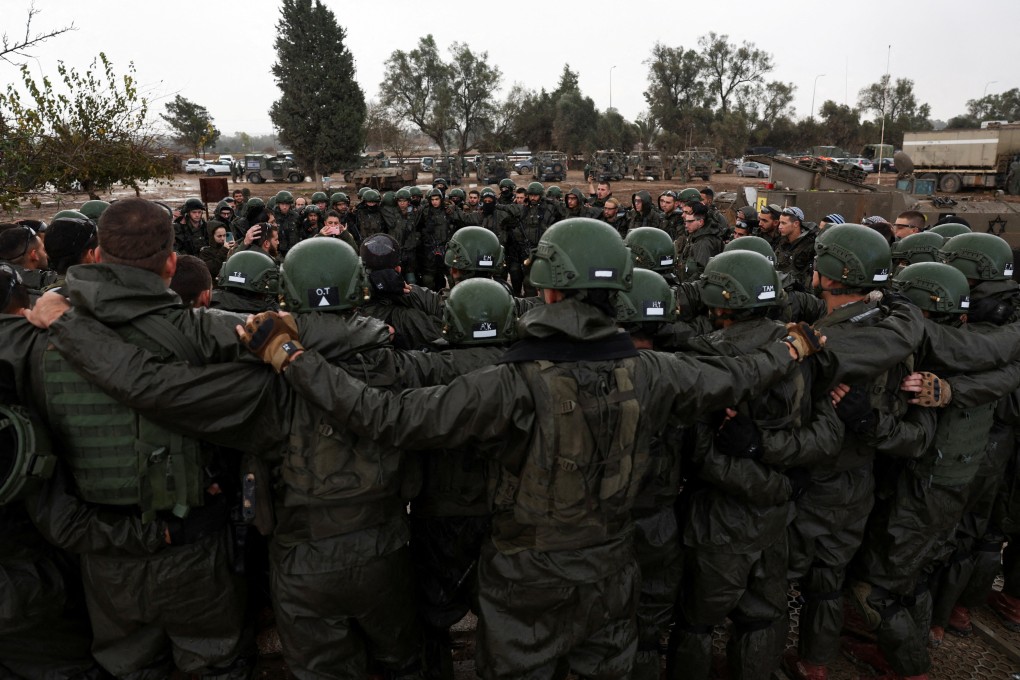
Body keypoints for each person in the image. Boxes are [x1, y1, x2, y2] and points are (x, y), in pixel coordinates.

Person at [240, 217, 824, 679]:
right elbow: (738, 374)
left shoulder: (509, 383)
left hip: (526, 579)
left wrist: (293, 359)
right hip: (611, 571)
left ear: (546, 286)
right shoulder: (656, 373)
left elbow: (385, 417)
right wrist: (790, 350)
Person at [19, 198, 252, 678]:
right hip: (195, 544)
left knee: (130, 666)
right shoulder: (208, 335)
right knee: (215, 662)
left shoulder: (40, 339)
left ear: (97, 256)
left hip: (103, 551)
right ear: (171, 263)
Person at [0, 222, 56, 300]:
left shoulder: (6, 285)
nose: (46, 254)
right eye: (43, 249)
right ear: (34, 255)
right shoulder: (37, 297)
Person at [774, 206, 817, 290]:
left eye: (783, 223)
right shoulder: (782, 241)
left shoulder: (810, 245)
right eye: (780, 223)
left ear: (796, 224)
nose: (779, 226)